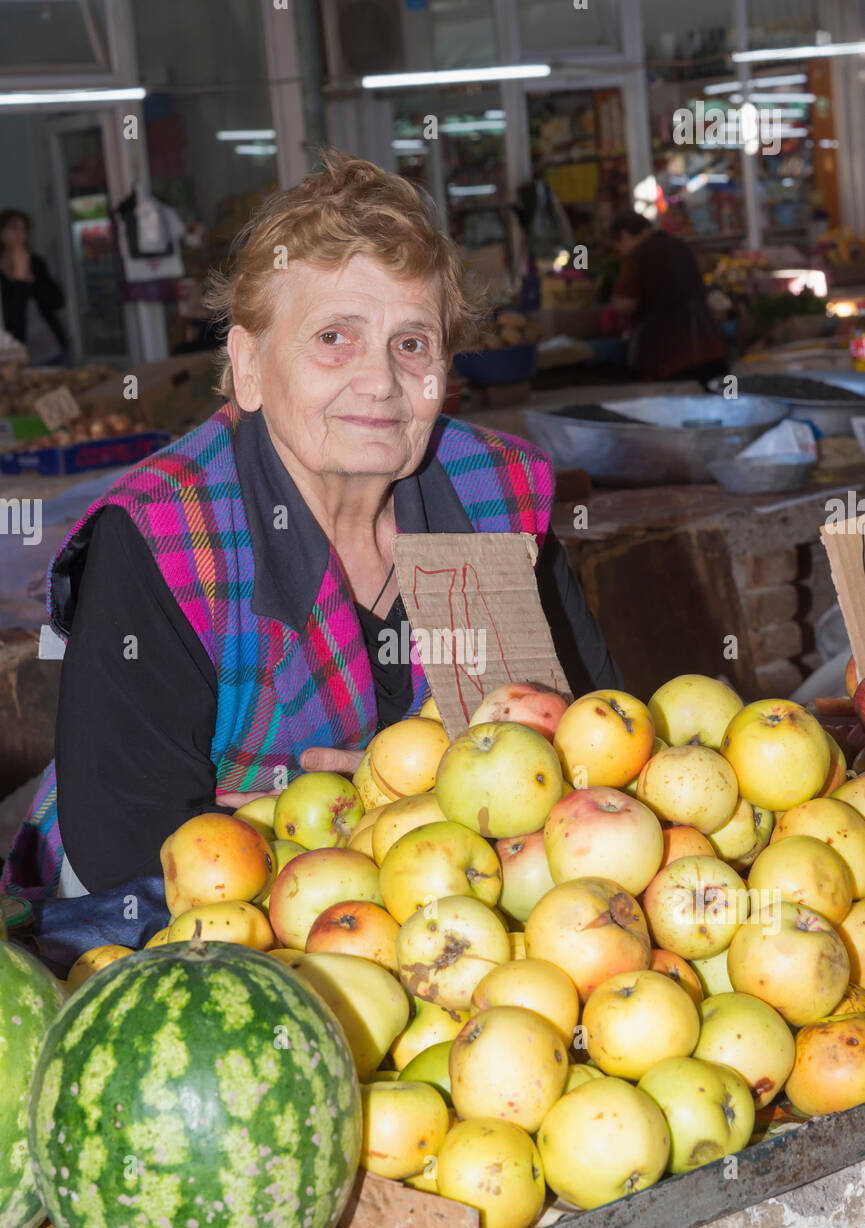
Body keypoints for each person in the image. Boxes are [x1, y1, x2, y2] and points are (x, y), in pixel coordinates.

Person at [2, 149, 620, 903]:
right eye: (334, 337)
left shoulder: (492, 496)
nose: (380, 380)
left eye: (411, 343)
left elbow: (596, 749)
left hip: (442, 922)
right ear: (250, 366)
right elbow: (126, 856)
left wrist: (378, 795)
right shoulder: (166, 536)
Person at [610, 210, 727, 385]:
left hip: (671, 356)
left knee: (679, 409)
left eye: (617, 245)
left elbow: (624, 304)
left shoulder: (639, 256)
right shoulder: (681, 246)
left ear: (624, 235)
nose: (619, 252)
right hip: (710, 345)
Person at [0, 209, 67, 364]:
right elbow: (12, 321)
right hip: (17, 355)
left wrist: (33, 280)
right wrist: (20, 280)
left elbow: (57, 302)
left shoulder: (35, 262)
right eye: (14, 228)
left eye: (24, 229)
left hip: (52, 347)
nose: (20, 234)